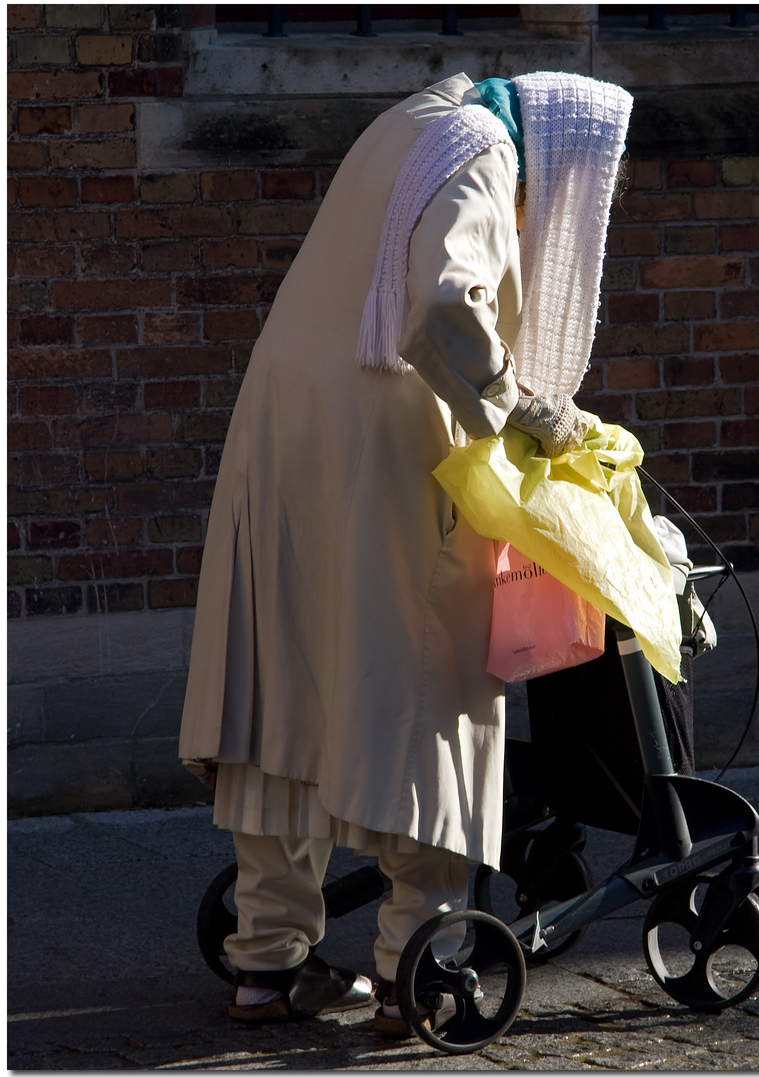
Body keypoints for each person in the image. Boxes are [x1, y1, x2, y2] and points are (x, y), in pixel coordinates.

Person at [177, 70, 633, 1034]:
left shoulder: (416, 119)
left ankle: (265, 961)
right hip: (383, 453)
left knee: (287, 682)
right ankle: (412, 967)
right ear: (556, 158)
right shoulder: (483, 151)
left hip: (287, 427)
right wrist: (516, 410)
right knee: (425, 687)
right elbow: (441, 306)